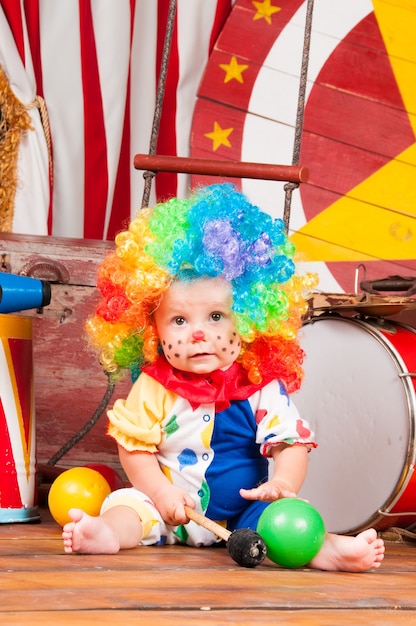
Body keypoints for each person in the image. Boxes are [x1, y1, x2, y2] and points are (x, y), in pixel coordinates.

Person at [62, 183, 384, 571]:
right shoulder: (154, 385)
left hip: (245, 515)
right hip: (169, 510)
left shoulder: (259, 384)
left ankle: (326, 549)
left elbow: (289, 443)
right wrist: (161, 492)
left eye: (216, 317)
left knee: (288, 521)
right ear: (151, 329)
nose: (198, 334)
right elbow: (134, 448)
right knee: (128, 507)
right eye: (179, 320)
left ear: (249, 318)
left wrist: (283, 484)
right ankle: (108, 534)